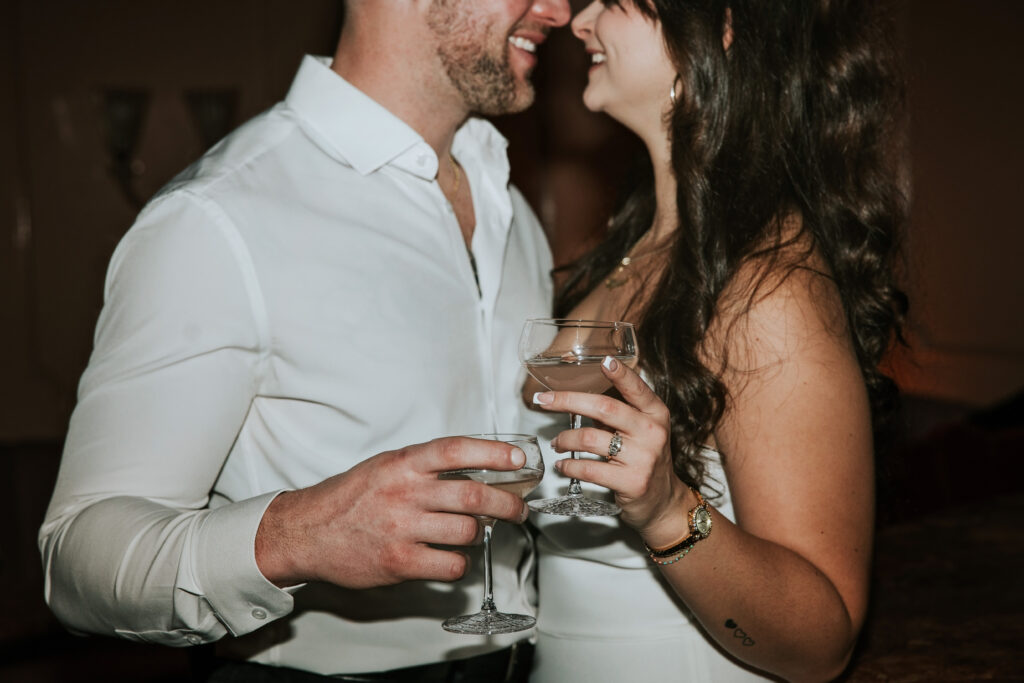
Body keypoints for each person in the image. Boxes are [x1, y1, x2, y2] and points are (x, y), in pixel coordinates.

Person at [38, 1, 571, 681]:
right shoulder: (219, 218)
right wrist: (295, 535)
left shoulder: (509, 207)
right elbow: (73, 557)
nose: (558, 9)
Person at [524, 0, 908, 681]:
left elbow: (823, 642)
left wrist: (669, 509)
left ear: (721, 26)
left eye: (611, 2)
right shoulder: (636, 248)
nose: (580, 24)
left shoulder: (769, 289)